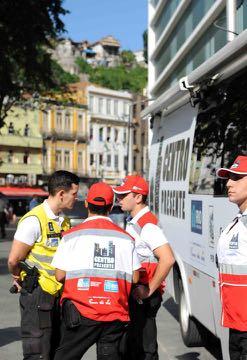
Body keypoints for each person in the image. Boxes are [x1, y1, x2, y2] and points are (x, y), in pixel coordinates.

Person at [51, 182, 141, 360]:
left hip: (80, 314)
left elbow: (60, 275)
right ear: (111, 206)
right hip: (114, 314)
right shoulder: (126, 239)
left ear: (86, 204)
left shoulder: (71, 236)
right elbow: (135, 277)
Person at [8, 170, 79, 360]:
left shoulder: (63, 221)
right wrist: (18, 278)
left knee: (55, 349)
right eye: (74, 194)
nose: (76, 198)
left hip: (57, 294)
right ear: (61, 194)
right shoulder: (34, 220)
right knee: (38, 353)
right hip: (38, 294)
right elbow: (14, 260)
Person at [113, 175, 175, 360]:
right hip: (138, 293)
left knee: (144, 350)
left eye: (123, 195)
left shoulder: (146, 225)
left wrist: (149, 289)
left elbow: (168, 259)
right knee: (135, 347)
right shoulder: (136, 222)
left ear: (138, 197)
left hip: (143, 295)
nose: (119, 199)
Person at [216, 155, 247, 360]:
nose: (228, 183)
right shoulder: (237, 221)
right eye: (229, 178)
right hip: (237, 322)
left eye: (236, 177)